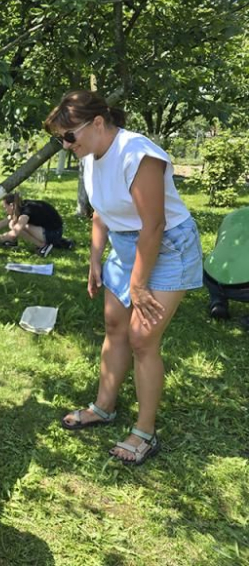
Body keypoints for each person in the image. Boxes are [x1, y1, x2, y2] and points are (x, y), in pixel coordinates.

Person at [45, 90, 202, 466]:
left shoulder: (137, 153)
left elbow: (154, 224)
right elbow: (101, 211)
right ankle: (103, 407)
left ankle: (144, 433)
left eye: (69, 136)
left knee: (142, 338)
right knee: (114, 323)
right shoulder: (90, 156)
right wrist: (95, 257)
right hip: (125, 244)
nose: (66, 145)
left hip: (165, 246)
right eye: (60, 139)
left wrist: (138, 282)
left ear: (97, 123)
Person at [203, 206, 249, 320]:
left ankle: (218, 302)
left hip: (210, 278)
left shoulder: (233, 215)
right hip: (243, 289)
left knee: (223, 265)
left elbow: (219, 246)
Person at [0, 192, 68, 257]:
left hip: (53, 234)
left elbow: (13, 233)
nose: (4, 210)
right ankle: (12, 243)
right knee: (12, 222)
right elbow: (5, 221)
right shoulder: (21, 205)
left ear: (12, 205)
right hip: (53, 230)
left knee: (16, 226)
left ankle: (43, 246)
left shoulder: (25, 213)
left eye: (5, 207)